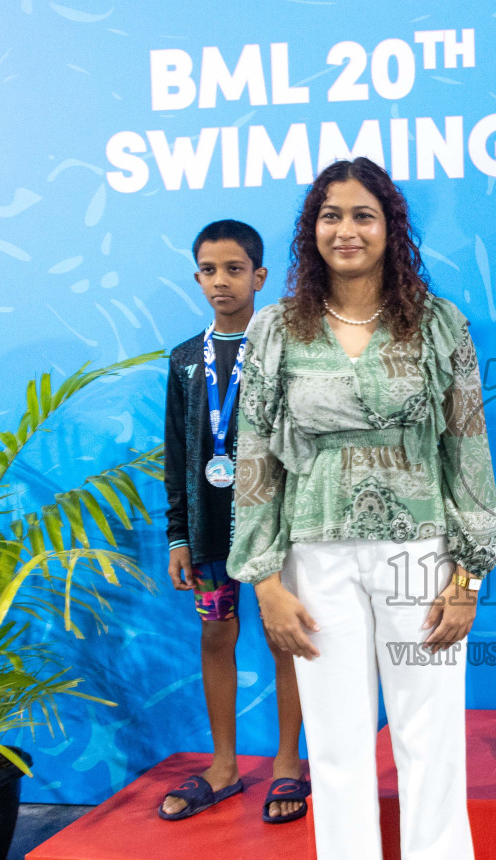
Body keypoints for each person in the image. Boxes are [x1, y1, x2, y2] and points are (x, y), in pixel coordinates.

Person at [228, 158, 496, 860]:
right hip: (316, 557)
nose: (347, 230)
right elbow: (255, 459)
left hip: (419, 549)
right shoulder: (275, 332)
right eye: (331, 216)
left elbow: (468, 448)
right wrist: (264, 578)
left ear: (393, 229)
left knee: (428, 737)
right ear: (312, 231)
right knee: (338, 745)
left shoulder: (439, 324)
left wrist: (468, 570)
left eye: (365, 216)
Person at [160, 219, 308, 825]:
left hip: (280, 524)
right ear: (197, 277)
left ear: (260, 276)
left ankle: (288, 765)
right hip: (211, 529)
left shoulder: (287, 345)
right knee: (217, 636)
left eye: (235, 269)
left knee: (285, 641)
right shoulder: (185, 361)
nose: (222, 281)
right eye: (210, 270)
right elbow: (176, 450)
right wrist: (178, 535)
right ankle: (224, 765)